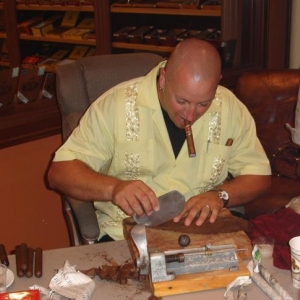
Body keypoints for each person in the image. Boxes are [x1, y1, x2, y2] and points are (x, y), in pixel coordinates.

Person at [47, 39, 271, 242]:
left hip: (203, 233)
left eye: (203, 104)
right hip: (129, 236)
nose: (190, 115)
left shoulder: (229, 107)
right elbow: (59, 173)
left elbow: (259, 175)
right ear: (163, 78)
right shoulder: (115, 106)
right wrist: (114, 188)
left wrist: (220, 196)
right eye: (181, 101)